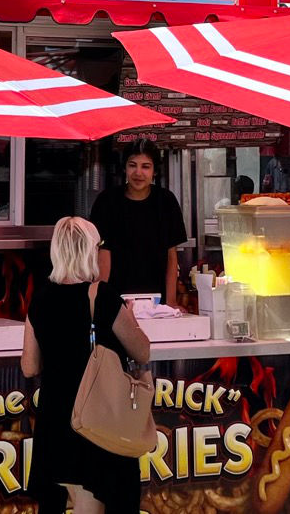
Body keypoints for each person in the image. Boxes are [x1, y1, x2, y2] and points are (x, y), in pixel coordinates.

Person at [22, 217, 151, 514]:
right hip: (95, 420)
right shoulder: (102, 297)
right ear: (89, 250)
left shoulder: (40, 298)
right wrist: (130, 316)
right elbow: (142, 350)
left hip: (56, 420)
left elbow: (29, 366)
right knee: (90, 500)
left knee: (64, 500)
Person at [89, 140, 187, 307]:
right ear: (124, 168)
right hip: (116, 298)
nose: (138, 172)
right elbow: (103, 254)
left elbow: (171, 255)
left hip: (157, 300)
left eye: (146, 166)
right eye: (132, 165)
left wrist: (170, 301)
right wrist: (100, 301)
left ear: (155, 171)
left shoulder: (166, 201)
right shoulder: (107, 201)